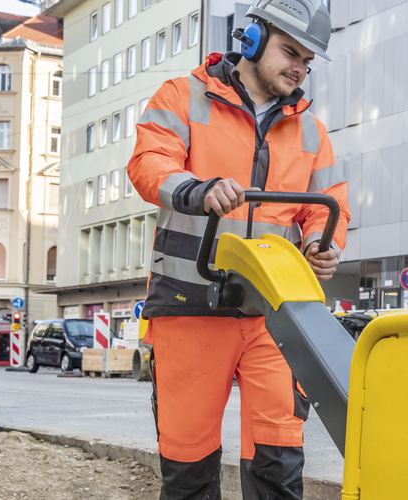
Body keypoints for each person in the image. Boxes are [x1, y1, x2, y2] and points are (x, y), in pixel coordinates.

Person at [126, 0, 343, 498]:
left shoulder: (311, 129)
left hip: (275, 315)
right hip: (190, 304)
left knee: (279, 458)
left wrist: (320, 242)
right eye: (291, 51)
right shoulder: (182, 96)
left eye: (308, 61)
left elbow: (330, 205)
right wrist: (197, 190)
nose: (299, 68)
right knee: (188, 461)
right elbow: (148, 163)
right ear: (253, 39)